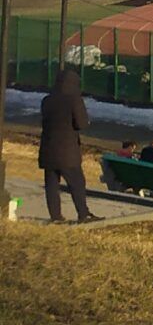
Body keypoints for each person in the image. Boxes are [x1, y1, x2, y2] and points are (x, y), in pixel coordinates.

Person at [39, 65, 94, 224]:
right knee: (77, 182)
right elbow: (81, 124)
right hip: (67, 150)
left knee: (51, 184)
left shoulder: (47, 100)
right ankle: (83, 213)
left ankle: (55, 216)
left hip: (48, 148)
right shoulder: (74, 100)